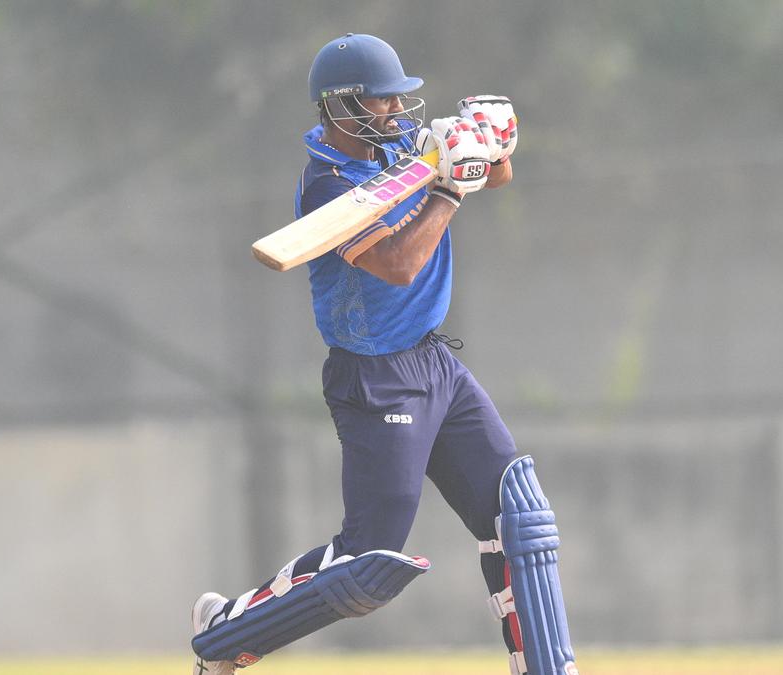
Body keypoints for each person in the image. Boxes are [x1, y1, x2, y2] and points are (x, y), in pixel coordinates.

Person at [190, 33, 578, 675]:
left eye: (400, 99)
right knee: (367, 564)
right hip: (375, 378)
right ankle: (224, 633)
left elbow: (496, 174)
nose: (397, 111)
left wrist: (490, 141)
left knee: (519, 516)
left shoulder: (400, 147)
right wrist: (449, 190)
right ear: (340, 106)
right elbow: (398, 266)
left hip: (435, 363)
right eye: (382, 101)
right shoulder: (327, 186)